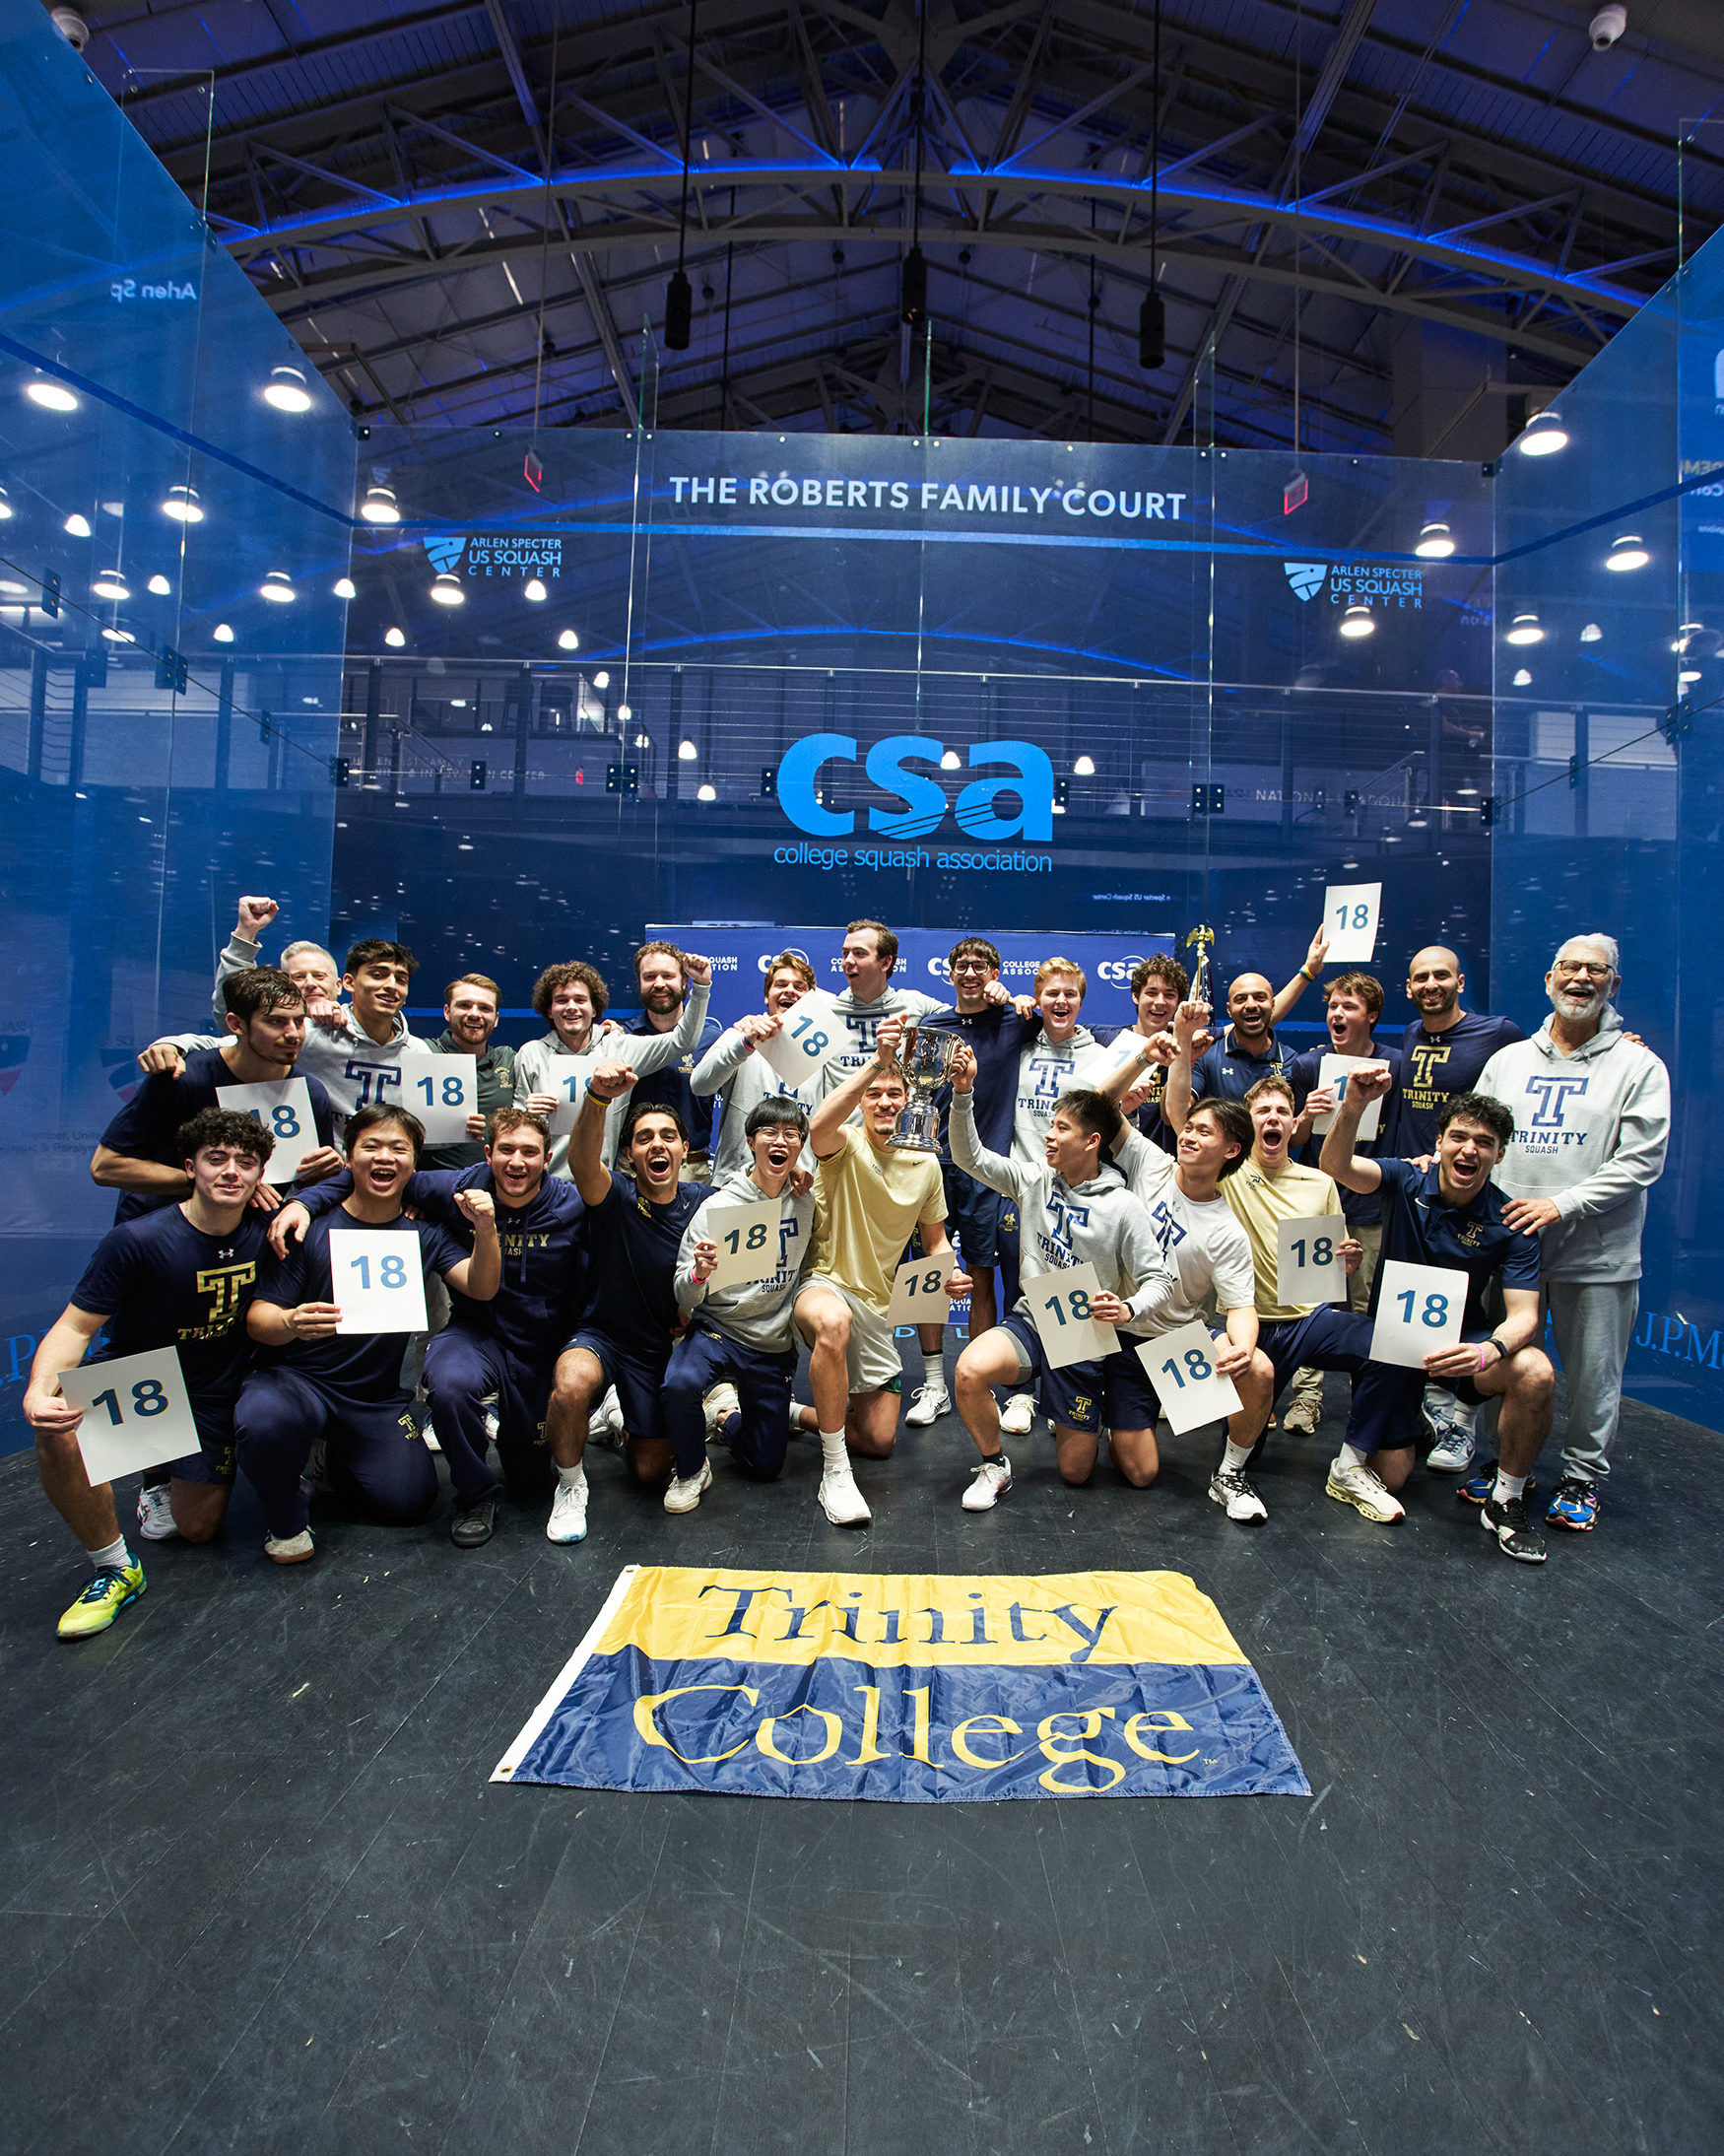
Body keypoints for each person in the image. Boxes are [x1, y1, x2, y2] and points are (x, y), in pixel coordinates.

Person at [267, 1108, 588, 1549]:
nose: (517, 1162)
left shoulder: (571, 1203)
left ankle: (513, 1436)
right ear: (487, 1153)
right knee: (449, 1382)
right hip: (477, 1332)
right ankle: (475, 1497)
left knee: (530, 1480)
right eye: (506, 1150)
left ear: (547, 1158)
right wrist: (304, 1202)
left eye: (529, 1152)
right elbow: (372, 1175)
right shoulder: (456, 1187)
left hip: (541, 1343)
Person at [22, 1110, 277, 1638]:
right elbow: (74, 1328)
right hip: (140, 1379)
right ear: (189, 1168)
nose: (231, 1171)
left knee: (197, 1530)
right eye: (216, 1159)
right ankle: (116, 1568)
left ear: (261, 1174)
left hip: (212, 1390)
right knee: (59, 1431)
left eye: (245, 1162)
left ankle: (160, 1471)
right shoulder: (135, 1240)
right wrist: (39, 1393)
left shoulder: (268, 1231)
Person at [235, 1104, 500, 1564]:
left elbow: (481, 1286)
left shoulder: (424, 1232)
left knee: (411, 1501)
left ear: (414, 1164)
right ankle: (286, 1515)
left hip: (373, 1397)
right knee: (264, 1421)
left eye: (399, 1149)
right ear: (348, 1156)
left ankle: (331, 1457)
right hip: (297, 1382)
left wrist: (486, 1230)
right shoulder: (307, 1227)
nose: (385, 1157)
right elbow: (259, 1318)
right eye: (371, 1146)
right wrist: (290, 1322)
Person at [1475, 933, 1670, 1531]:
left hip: (1597, 1254)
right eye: (1569, 967)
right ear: (1549, 979)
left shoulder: (1639, 1066)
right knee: (1510, 1363)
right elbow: (1476, 1136)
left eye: (1596, 970)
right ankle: (1510, 1464)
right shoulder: (1508, 1062)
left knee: (1594, 1376)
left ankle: (1582, 1476)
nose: (1580, 978)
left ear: (1614, 984)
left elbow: (1642, 1159)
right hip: (1513, 1251)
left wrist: (1562, 1205)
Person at [1320, 1071, 1555, 1562]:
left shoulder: (1510, 1221)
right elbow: (1336, 1165)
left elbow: (1524, 1315)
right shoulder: (1406, 1179)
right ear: (1440, 1143)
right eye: (1459, 1137)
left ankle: (1505, 1500)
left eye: (1484, 1143)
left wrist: (1487, 1350)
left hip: (1462, 1347)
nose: (1470, 1150)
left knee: (1535, 1371)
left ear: (1500, 1154)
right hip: (1394, 1347)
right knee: (1392, 1477)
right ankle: (1423, 1424)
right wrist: (1354, 1105)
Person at [946, 1052, 1173, 1509]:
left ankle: (1107, 1418)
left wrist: (1128, 1308)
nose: (1048, 1135)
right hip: (1033, 1322)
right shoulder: (1035, 1179)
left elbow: (1158, 1280)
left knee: (1077, 1473)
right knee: (969, 1370)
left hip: (1083, 1337)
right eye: (1050, 1125)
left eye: (1061, 1128)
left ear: (1092, 1142)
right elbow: (969, 1157)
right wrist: (963, 1094)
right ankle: (994, 1464)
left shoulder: (1124, 1207)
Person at [792, 1014, 968, 1527]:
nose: (885, 1102)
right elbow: (817, 1128)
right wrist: (878, 1063)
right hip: (822, 1286)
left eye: (895, 1093)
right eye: (874, 1094)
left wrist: (947, 1271)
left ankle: (794, 1414)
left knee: (879, 1440)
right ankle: (834, 1470)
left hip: (877, 1306)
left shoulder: (926, 1163)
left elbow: (934, 1240)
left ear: (911, 1100)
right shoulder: (845, 1144)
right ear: (862, 1101)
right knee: (833, 1323)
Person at [1094, 1009, 1273, 1508]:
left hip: (1178, 1341)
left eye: (1204, 1132)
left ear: (1231, 1150)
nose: (1189, 1136)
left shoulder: (1228, 1230)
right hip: (1122, 1338)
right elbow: (1099, 1106)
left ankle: (1231, 1473)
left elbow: (1241, 1308)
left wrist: (1242, 1348)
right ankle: (1122, 1414)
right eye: (1188, 1127)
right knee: (1141, 1474)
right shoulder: (1150, 1162)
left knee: (1259, 1368)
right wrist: (1144, 1058)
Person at [542, 1064, 712, 1541]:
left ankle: (615, 1416)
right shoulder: (614, 1194)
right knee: (571, 1384)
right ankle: (570, 1487)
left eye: (667, 1136)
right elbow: (582, 1162)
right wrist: (597, 1098)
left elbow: (758, 1210)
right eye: (644, 1138)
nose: (657, 1144)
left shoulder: (707, 1201)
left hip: (656, 1350)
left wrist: (795, 1176)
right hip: (602, 1337)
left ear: (684, 1149)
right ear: (629, 1155)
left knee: (649, 1472)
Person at [1204, 1070, 1363, 1519]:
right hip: (1244, 1323)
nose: (1273, 1118)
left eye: (1282, 1111)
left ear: (1295, 1124)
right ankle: (1231, 1467)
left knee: (1385, 1346)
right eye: (1263, 1111)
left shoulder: (1321, 1183)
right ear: (1248, 1123)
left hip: (1307, 1321)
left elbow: (1333, 1261)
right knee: (1247, 1446)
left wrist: (1346, 1262)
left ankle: (1354, 1461)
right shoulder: (1227, 1173)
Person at [1397, 944, 1528, 1473]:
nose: (1431, 984)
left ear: (1461, 982)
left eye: (1441, 975)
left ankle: (1462, 1417)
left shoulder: (1498, 1033)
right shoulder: (1412, 1034)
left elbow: (1547, 1053)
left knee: (1475, 1317)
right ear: (1409, 987)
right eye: (1421, 977)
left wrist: (1610, 1044)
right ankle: (1426, 1407)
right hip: (1420, 1193)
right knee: (1409, 1317)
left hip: (1472, 1201)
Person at [665, 1097, 817, 1513]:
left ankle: (725, 1418)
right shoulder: (717, 1208)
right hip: (718, 1328)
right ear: (750, 1142)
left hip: (770, 1340)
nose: (780, 1141)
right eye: (769, 1132)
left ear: (801, 1146)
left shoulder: (807, 1198)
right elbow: (683, 1294)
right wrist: (699, 1274)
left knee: (765, 1466)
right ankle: (692, 1470)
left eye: (791, 1134)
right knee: (679, 1384)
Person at [97, 966, 341, 1224]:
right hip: (160, 1229)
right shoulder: (185, 1078)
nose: (293, 1034)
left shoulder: (311, 1092)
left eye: (299, 1021)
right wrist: (213, 1182)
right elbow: (106, 1166)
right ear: (236, 1024)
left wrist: (324, 1175)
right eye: (275, 1022)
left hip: (250, 1235)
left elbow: (312, 1183)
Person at [1278, 971, 1405, 1436]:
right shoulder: (1309, 1064)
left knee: (1366, 1314)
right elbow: (1290, 1142)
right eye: (1333, 1005)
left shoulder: (1395, 1064)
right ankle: (1306, 1400)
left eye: (1349, 1006)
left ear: (1372, 1016)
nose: (1337, 1013)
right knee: (1306, 1308)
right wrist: (1304, 1117)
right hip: (1316, 1209)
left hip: (1370, 1211)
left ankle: (1364, 1408)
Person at [143, 936, 432, 1127]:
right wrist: (174, 1044)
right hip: (313, 1178)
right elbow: (233, 1044)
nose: (391, 985)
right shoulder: (311, 1031)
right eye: (378, 975)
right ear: (348, 983)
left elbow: (425, 1125)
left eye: (401, 979)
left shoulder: (419, 1052)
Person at [514, 953, 712, 1176]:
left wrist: (701, 987)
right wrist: (526, 1114)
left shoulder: (619, 1047)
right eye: (561, 1000)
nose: (571, 1007)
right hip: (545, 1182)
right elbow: (515, 1129)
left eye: (580, 1000)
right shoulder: (530, 1054)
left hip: (600, 1182)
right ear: (549, 1009)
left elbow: (683, 1041)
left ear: (594, 1009)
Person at [1161, 922, 1332, 1124]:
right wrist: (1184, 1054)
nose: (1251, 1005)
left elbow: (1296, 1133)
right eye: (1241, 999)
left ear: (1272, 1004)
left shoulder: (1291, 1061)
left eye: (1260, 997)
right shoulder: (1206, 1056)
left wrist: (1308, 971)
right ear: (1228, 1009)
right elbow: (1172, 1115)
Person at [690, 951, 819, 1183]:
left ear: (810, 1000)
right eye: (781, 984)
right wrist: (745, 1044)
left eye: (799, 987)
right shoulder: (739, 1036)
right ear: (767, 997)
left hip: (795, 1189)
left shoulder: (823, 1054)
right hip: (737, 1185)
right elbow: (700, 1085)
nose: (790, 990)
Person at [627, 940, 725, 1178]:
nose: (659, 983)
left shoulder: (713, 1040)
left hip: (692, 1170)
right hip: (631, 1170)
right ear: (639, 983)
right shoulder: (623, 1038)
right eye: (650, 977)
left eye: (667, 976)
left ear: (684, 982)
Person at [811, 919, 943, 1094]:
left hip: (897, 1110)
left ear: (885, 962)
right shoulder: (825, 1011)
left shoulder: (915, 1004)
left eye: (859, 953)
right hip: (843, 1112)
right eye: (845, 953)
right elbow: (784, 1061)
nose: (848, 961)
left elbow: (967, 1018)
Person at [423, 973, 516, 1172]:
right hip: (433, 1183)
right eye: (464, 1005)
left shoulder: (508, 1059)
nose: (474, 1014)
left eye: (485, 1008)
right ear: (447, 1012)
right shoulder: (422, 1053)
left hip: (497, 1183)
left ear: (496, 1018)